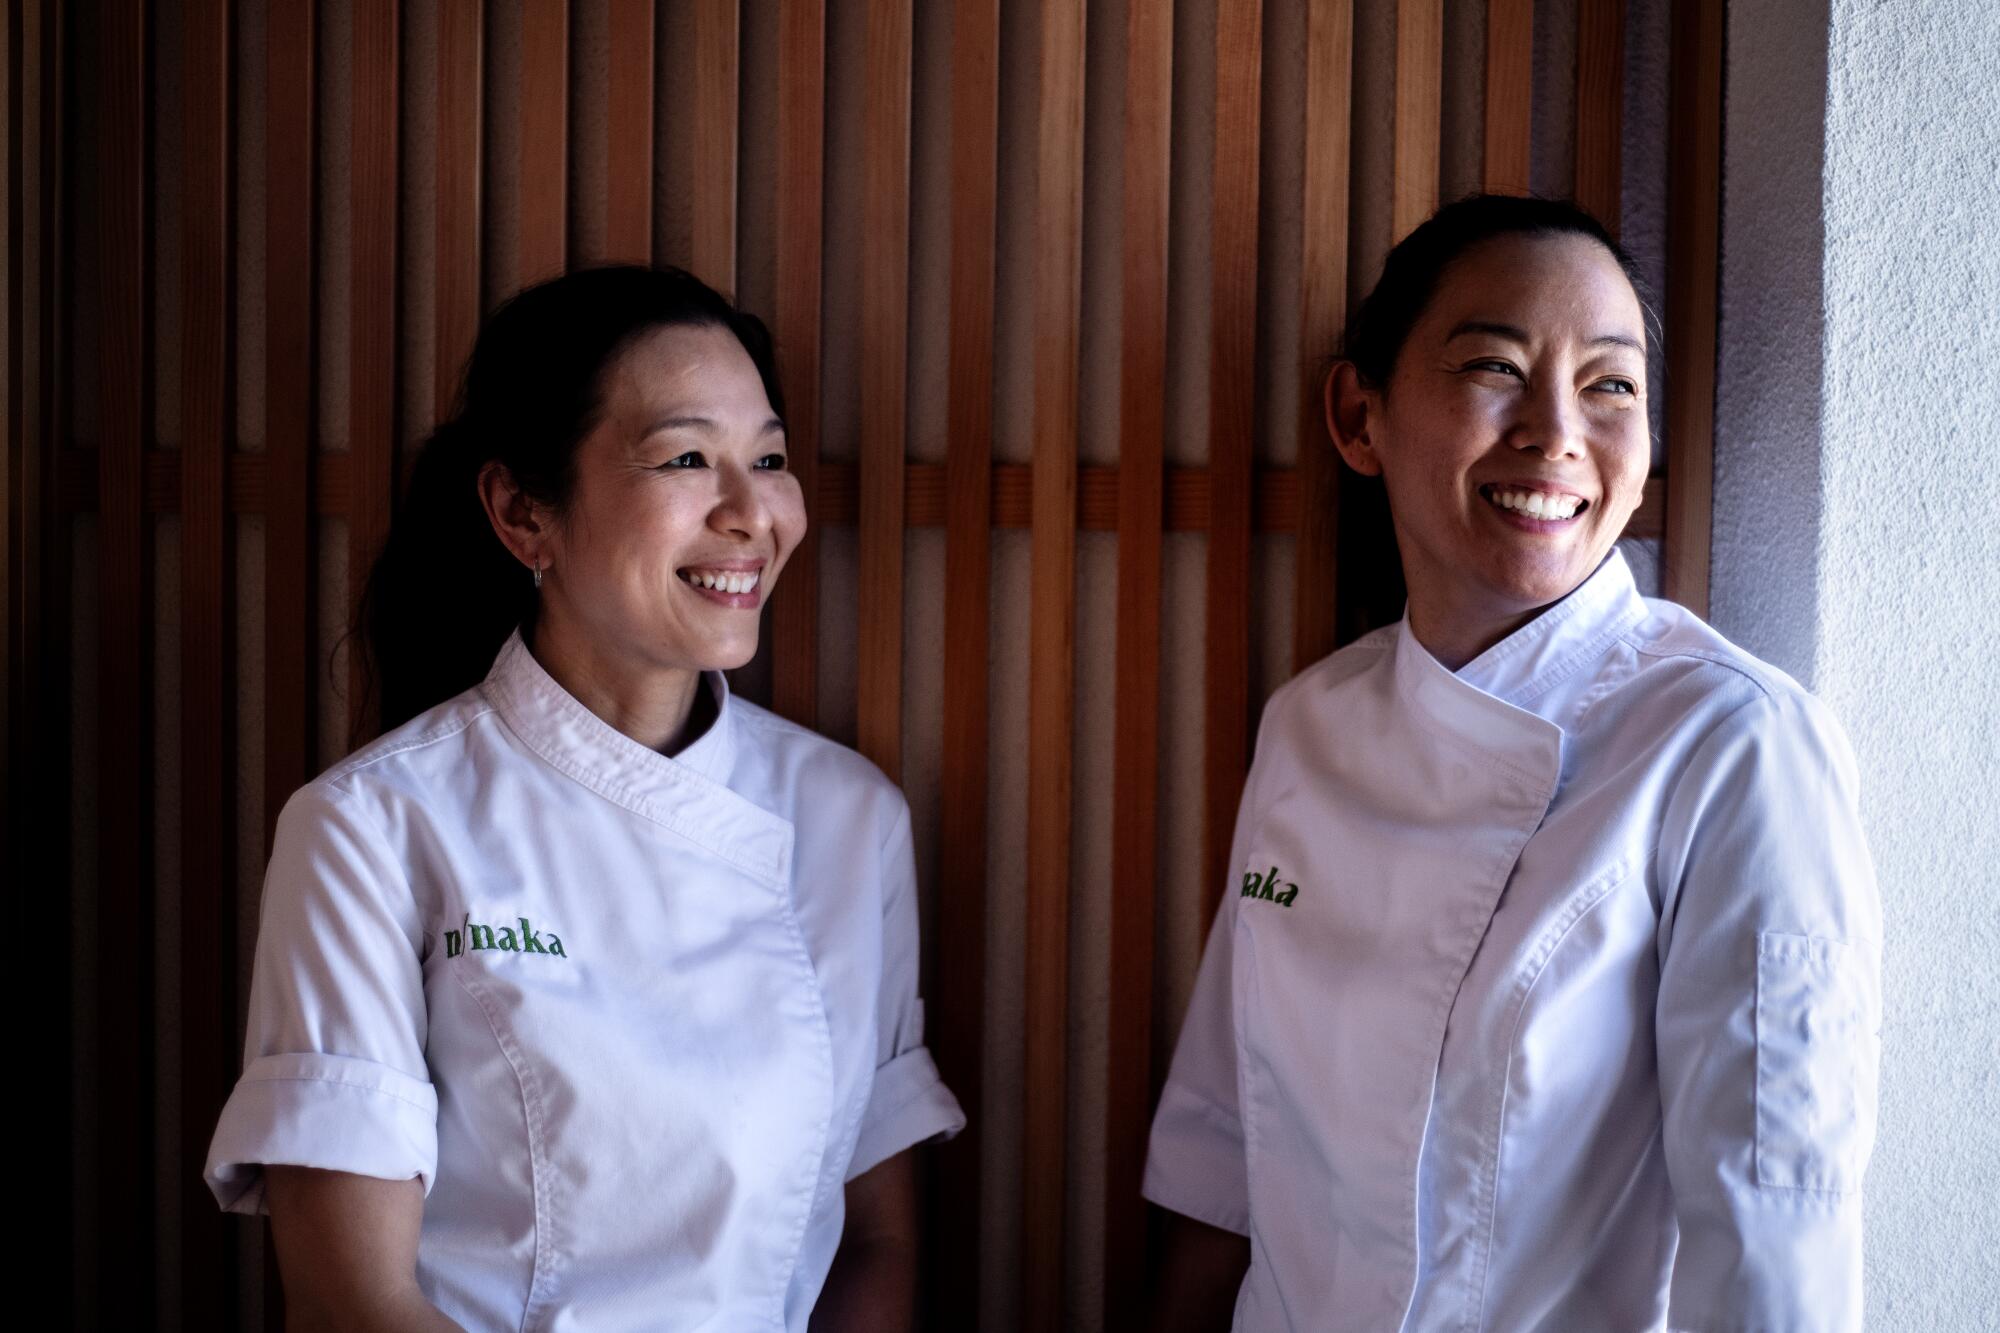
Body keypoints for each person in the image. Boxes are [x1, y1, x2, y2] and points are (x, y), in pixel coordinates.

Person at [1143, 196, 1881, 1332]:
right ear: (1358, 416)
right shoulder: (1306, 723)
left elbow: (1774, 1239)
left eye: (1609, 384)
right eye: (1494, 366)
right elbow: (1222, 1145)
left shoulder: (1728, 746)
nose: (1554, 430)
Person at [205, 265, 963, 1331]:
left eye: (770, 458)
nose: (751, 512)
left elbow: (876, 1237)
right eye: (686, 458)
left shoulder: (848, 819)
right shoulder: (370, 826)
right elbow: (351, 1298)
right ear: (523, 513)